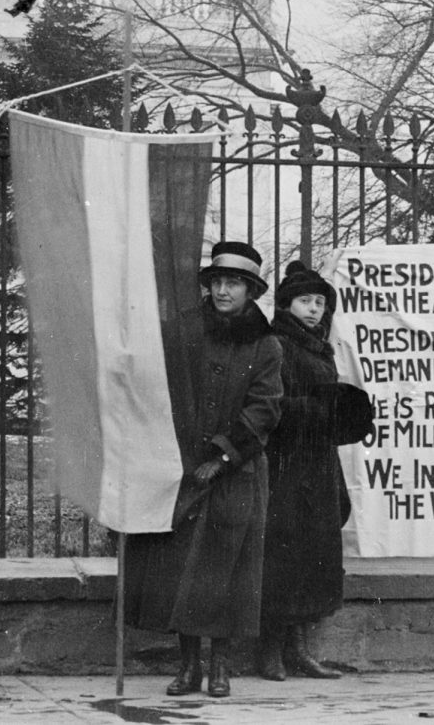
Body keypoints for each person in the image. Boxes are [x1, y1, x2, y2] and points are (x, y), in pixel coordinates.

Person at [124, 241, 283, 698]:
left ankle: (220, 667)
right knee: (179, 571)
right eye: (217, 281)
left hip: (237, 473)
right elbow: (158, 385)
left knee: (225, 572)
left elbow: (265, 410)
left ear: (251, 290)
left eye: (233, 282)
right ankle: (188, 666)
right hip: (183, 471)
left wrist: (226, 455)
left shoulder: (266, 345)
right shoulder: (184, 333)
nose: (223, 290)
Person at [255, 260, 374, 681]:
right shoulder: (275, 344)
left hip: (318, 464)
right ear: (286, 305)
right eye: (305, 301)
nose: (313, 309)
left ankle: (299, 649)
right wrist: (321, 409)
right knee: (281, 556)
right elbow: (270, 404)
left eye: (320, 302)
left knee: (313, 558)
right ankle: (269, 651)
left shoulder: (319, 345)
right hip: (286, 464)